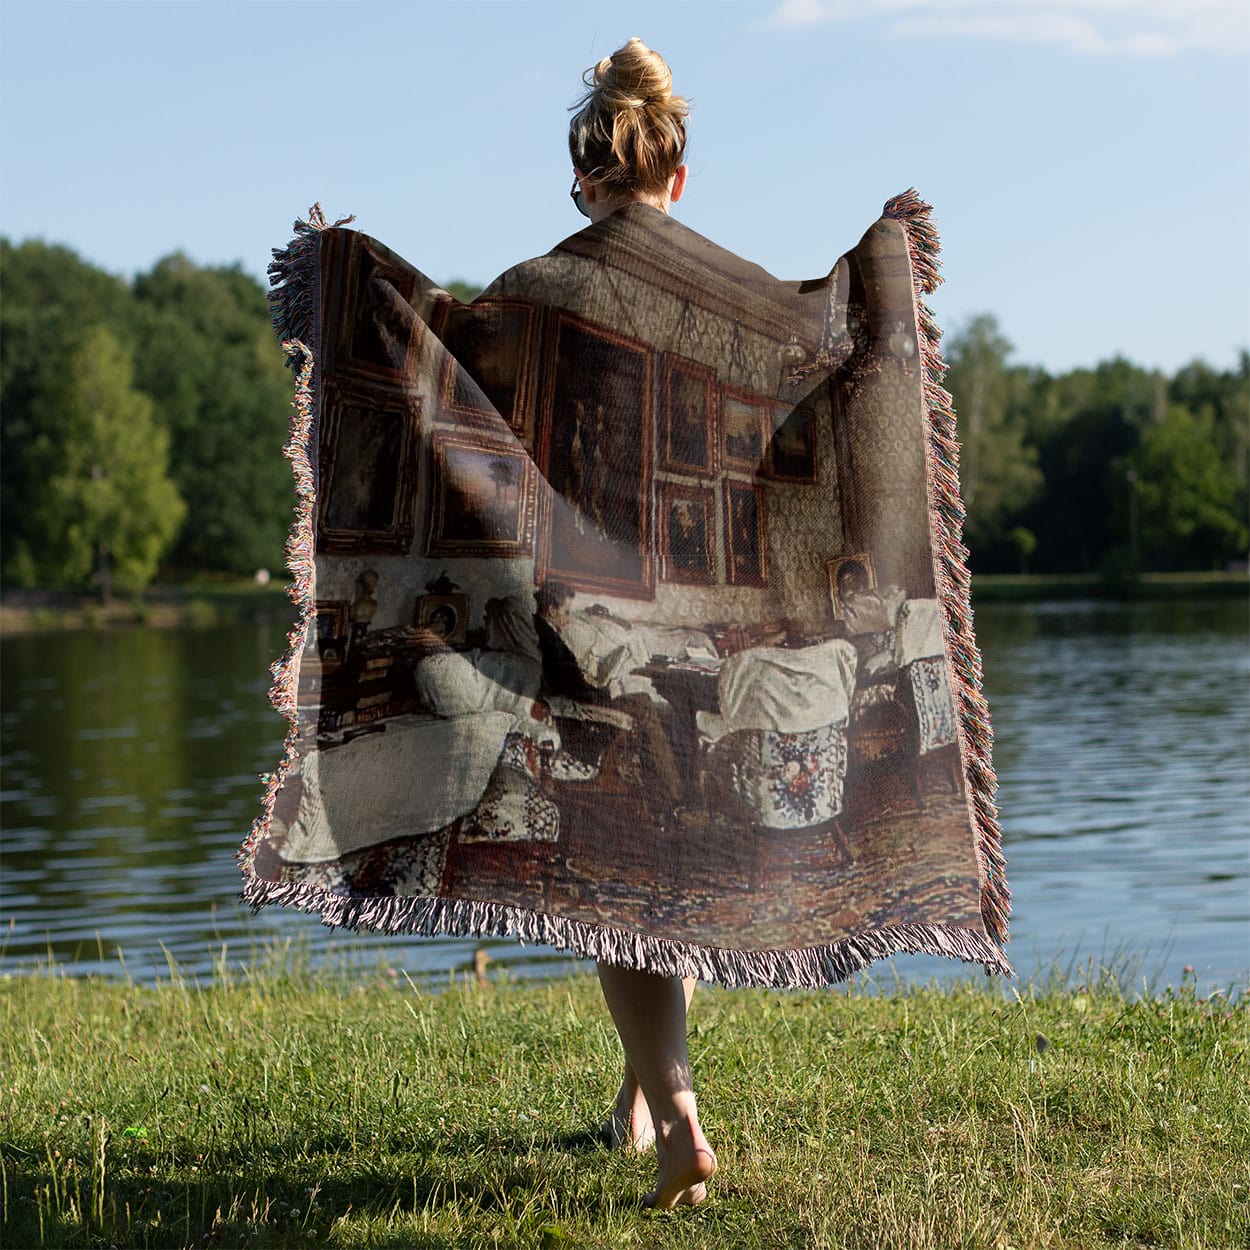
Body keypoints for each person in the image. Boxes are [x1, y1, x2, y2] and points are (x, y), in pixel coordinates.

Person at [563, 39, 717, 1209]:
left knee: (617, 884)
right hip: (710, 626)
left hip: (591, 625)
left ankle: (678, 1118)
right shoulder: (728, 293)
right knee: (673, 865)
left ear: (583, 181)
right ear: (676, 175)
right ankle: (632, 1099)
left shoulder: (544, 288)